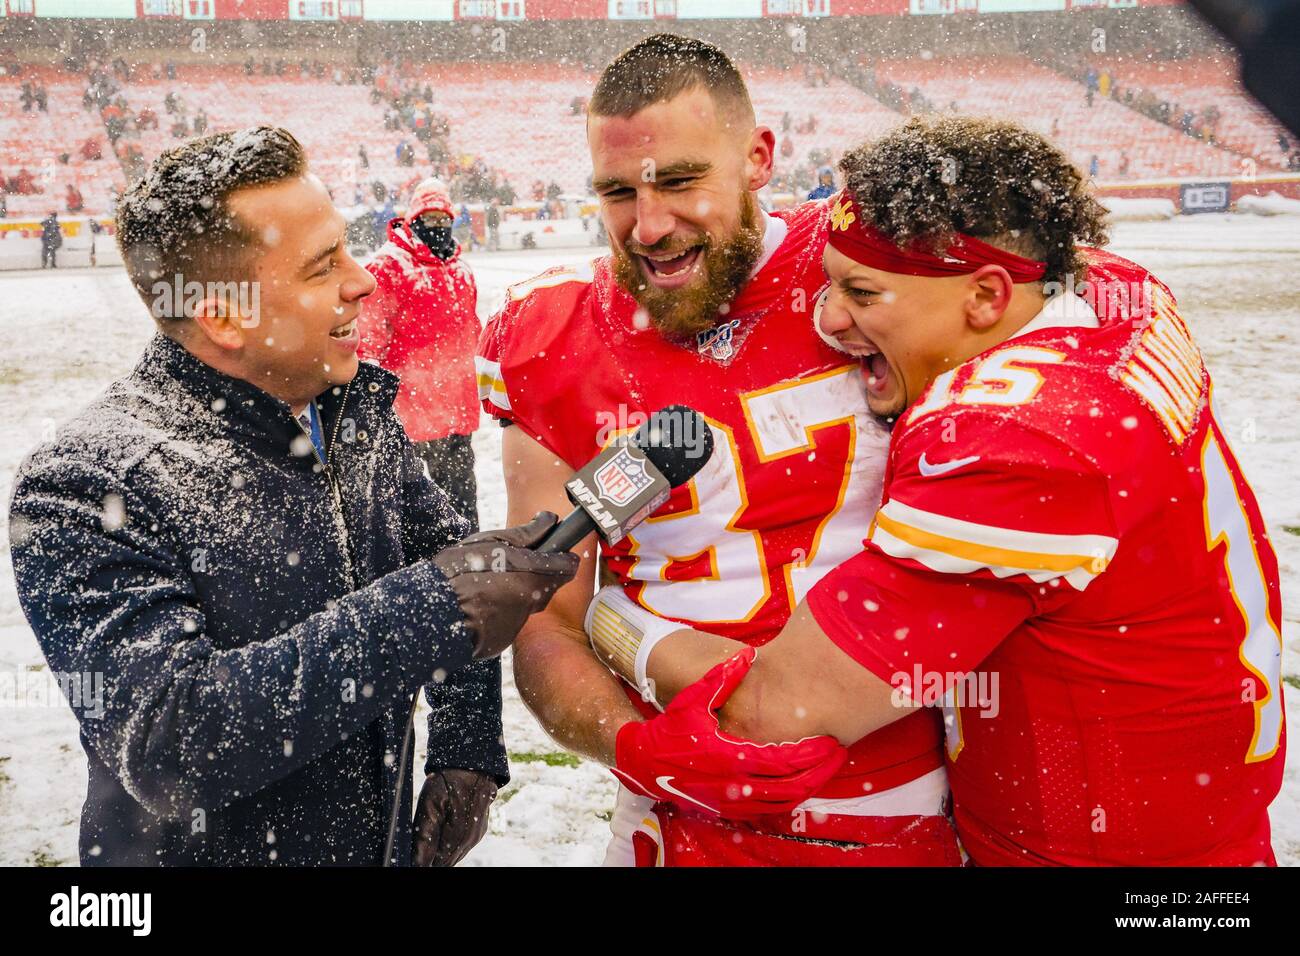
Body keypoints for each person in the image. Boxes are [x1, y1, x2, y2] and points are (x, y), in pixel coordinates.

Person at [593, 116, 1286, 867]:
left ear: (987, 296)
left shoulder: (1012, 441)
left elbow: (777, 711)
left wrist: (607, 617)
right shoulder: (1117, 300)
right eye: (827, 282)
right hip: (1200, 829)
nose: (826, 320)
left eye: (861, 291)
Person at [8, 128, 579, 867]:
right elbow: (174, 744)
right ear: (222, 314)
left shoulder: (352, 413)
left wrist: (466, 752)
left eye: (346, 247)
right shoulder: (89, 481)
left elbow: (461, 568)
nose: (363, 281)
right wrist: (434, 606)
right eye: (323, 267)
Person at [476, 34, 959, 867]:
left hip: (908, 795)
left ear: (758, 156)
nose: (651, 225)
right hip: (678, 814)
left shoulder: (869, 268)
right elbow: (549, 618)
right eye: (618, 192)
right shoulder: (550, 336)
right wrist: (636, 748)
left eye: (681, 181)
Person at [360, 179, 481, 528]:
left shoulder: (460, 270)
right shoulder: (388, 267)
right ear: (412, 219)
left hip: (457, 410)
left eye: (444, 219)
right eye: (429, 219)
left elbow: (472, 333)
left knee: (462, 505)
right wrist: (373, 405)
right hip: (410, 413)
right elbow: (367, 340)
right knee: (414, 512)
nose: (438, 227)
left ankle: (471, 565)